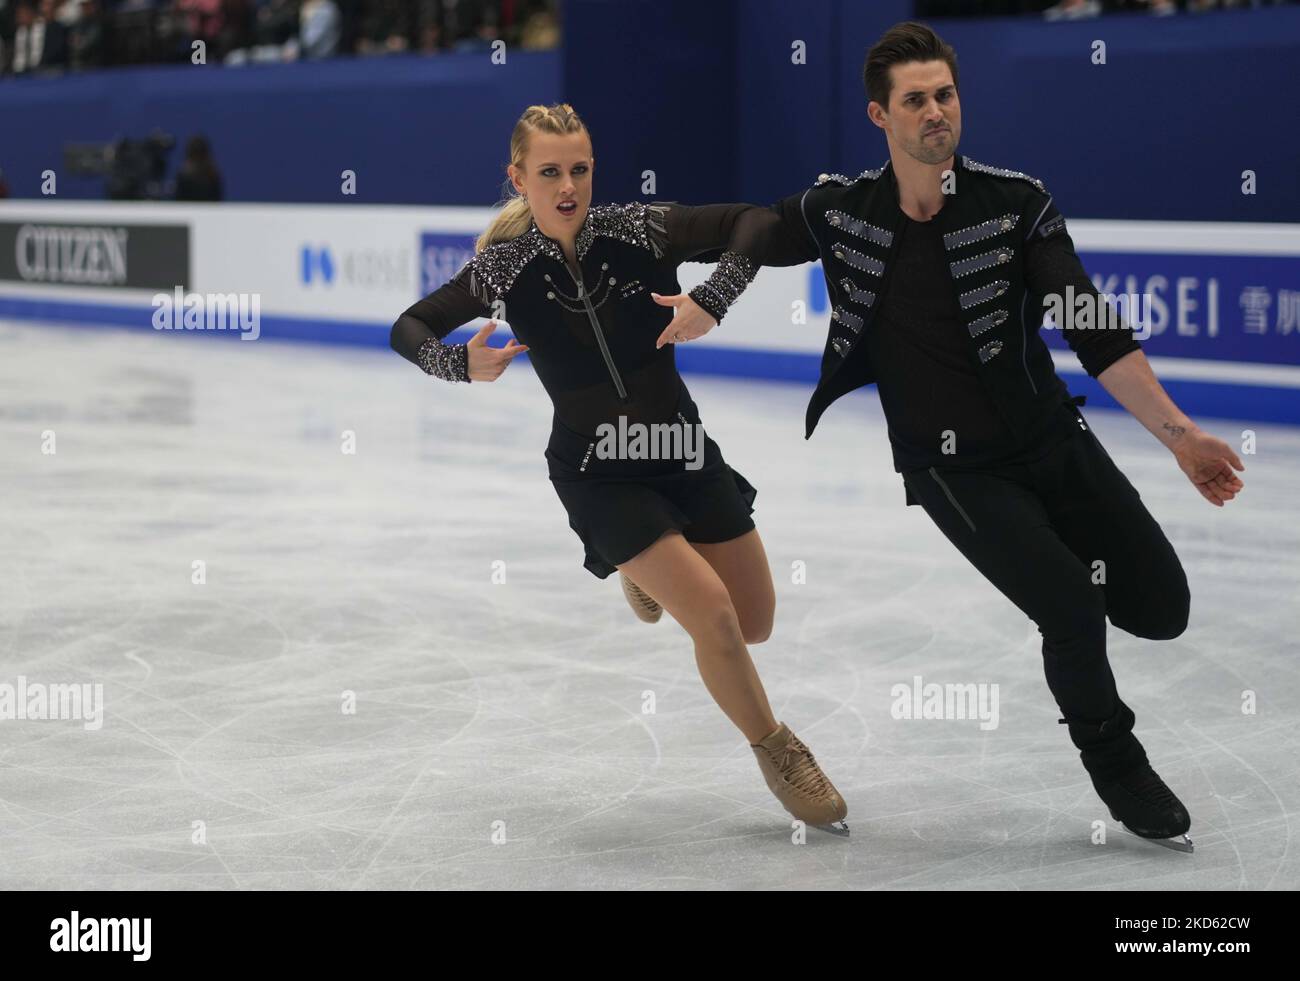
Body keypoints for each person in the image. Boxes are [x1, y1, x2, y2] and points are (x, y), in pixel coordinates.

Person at [670, 23, 1246, 852]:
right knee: (1071, 606)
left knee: (1164, 609)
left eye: (946, 94)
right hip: (953, 469)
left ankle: (1095, 636)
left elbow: (1092, 326)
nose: (936, 111)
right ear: (881, 115)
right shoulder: (846, 211)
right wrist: (713, 298)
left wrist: (1181, 437)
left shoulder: (1015, 205)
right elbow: (756, 226)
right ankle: (1116, 761)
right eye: (916, 99)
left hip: (1054, 440)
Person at [389, 103, 849, 834]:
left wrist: (713, 296)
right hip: (597, 472)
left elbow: (754, 224)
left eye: (579, 169)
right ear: (518, 178)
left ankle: (643, 566)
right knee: (717, 619)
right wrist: (454, 363)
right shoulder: (504, 268)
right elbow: (406, 327)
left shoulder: (639, 228)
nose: (567, 186)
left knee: (755, 619)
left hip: (681, 451)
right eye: (549, 173)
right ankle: (779, 747)